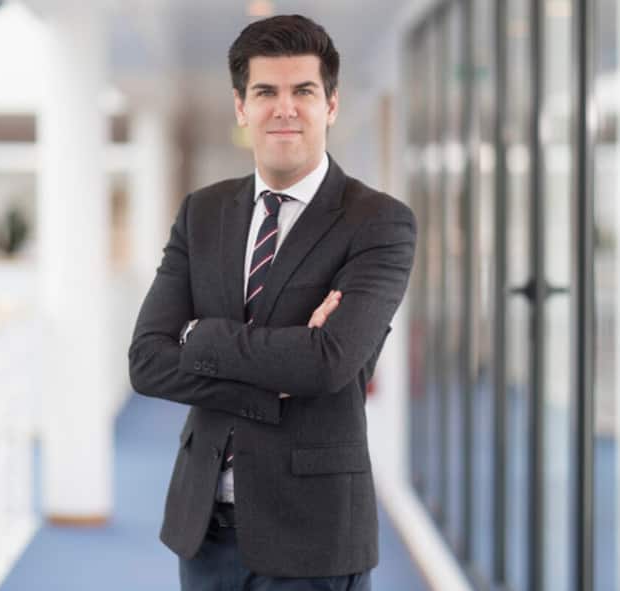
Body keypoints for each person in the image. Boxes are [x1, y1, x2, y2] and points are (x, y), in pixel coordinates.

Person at [128, 14, 416, 591]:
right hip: (204, 528)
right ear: (242, 107)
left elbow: (328, 362)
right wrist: (281, 370)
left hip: (313, 535)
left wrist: (200, 338)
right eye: (265, 92)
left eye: (303, 91)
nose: (285, 108)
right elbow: (148, 361)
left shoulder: (379, 222)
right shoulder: (202, 213)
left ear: (331, 104)